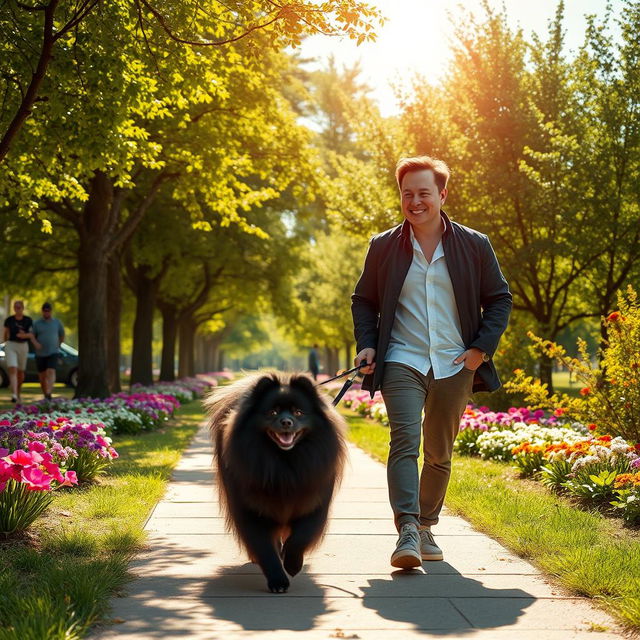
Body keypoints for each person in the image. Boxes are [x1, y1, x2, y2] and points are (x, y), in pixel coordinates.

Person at [351, 156, 512, 569]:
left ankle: (425, 525)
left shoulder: (473, 244)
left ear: (442, 194)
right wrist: (368, 344)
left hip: (456, 362)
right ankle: (406, 529)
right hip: (401, 358)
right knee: (404, 442)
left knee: (439, 452)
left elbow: (499, 299)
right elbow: (364, 301)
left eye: (424, 193)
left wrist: (481, 350)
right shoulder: (384, 245)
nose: (415, 201)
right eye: (408, 194)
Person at [3, 300, 35, 403]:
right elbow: (5, 333)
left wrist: (23, 335)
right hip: (11, 345)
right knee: (13, 368)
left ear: (22, 308)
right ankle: (14, 395)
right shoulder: (9, 320)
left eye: (19, 307)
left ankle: (18, 392)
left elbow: (31, 334)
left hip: (23, 346)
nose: (17, 309)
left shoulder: (28, 320)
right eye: (15, 307)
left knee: (20, 372)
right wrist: (5, 342)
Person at [32, 302, 64, 400]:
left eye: (48, 311)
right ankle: (46, 393)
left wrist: (58, 345)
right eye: (45, 311)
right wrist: (36, 344)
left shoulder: (57, 323)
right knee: (42, 377)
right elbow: (32, 336)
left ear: (51, 311)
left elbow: (62, 335)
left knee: (51, 371)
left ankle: (49, 392)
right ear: (42, 311)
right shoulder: (37, 324)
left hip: (53, 352)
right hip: (40, 354)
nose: (46, 313)